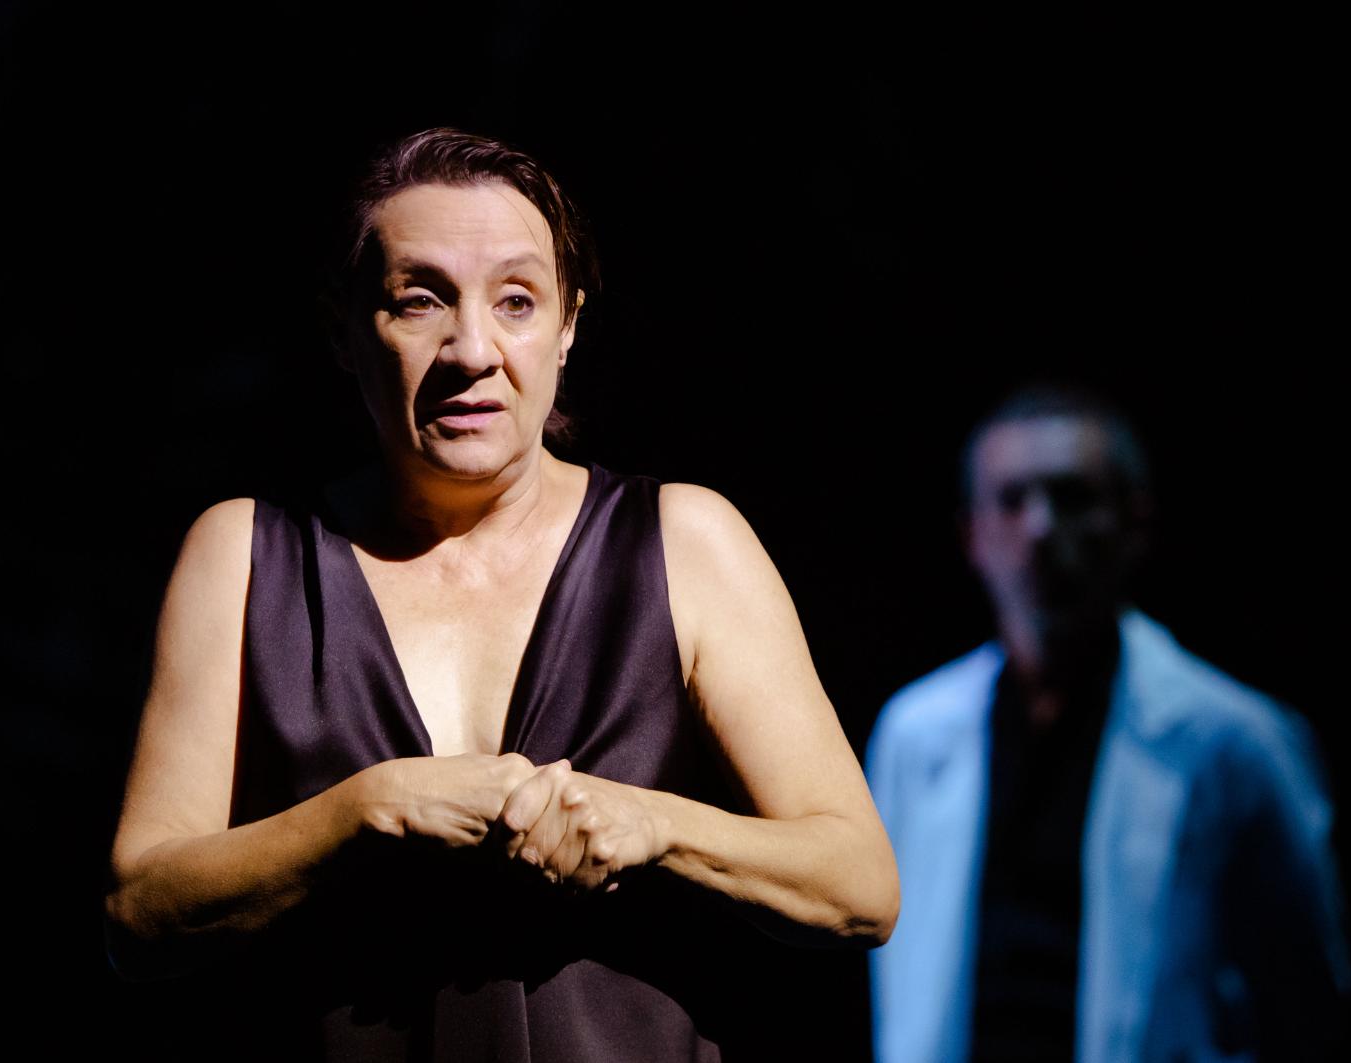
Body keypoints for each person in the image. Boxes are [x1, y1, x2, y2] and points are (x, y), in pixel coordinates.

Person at [103, 128, 898, 1061]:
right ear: (343, 328)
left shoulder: (684, 541)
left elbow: (859, 885)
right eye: (420, 300)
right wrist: (364, 811)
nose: (472, 349)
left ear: (568, 326)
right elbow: (138, 909)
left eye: (516, 301)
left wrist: (656, 824)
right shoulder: (245, 555)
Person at [864, 382, 1351, 1062]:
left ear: (1133, 522)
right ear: (971, 534)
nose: (1040, 528)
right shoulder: (914, 733)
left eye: (1072, 498)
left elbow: (1305, 1000)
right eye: (1012, 500)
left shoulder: (1235, 741)